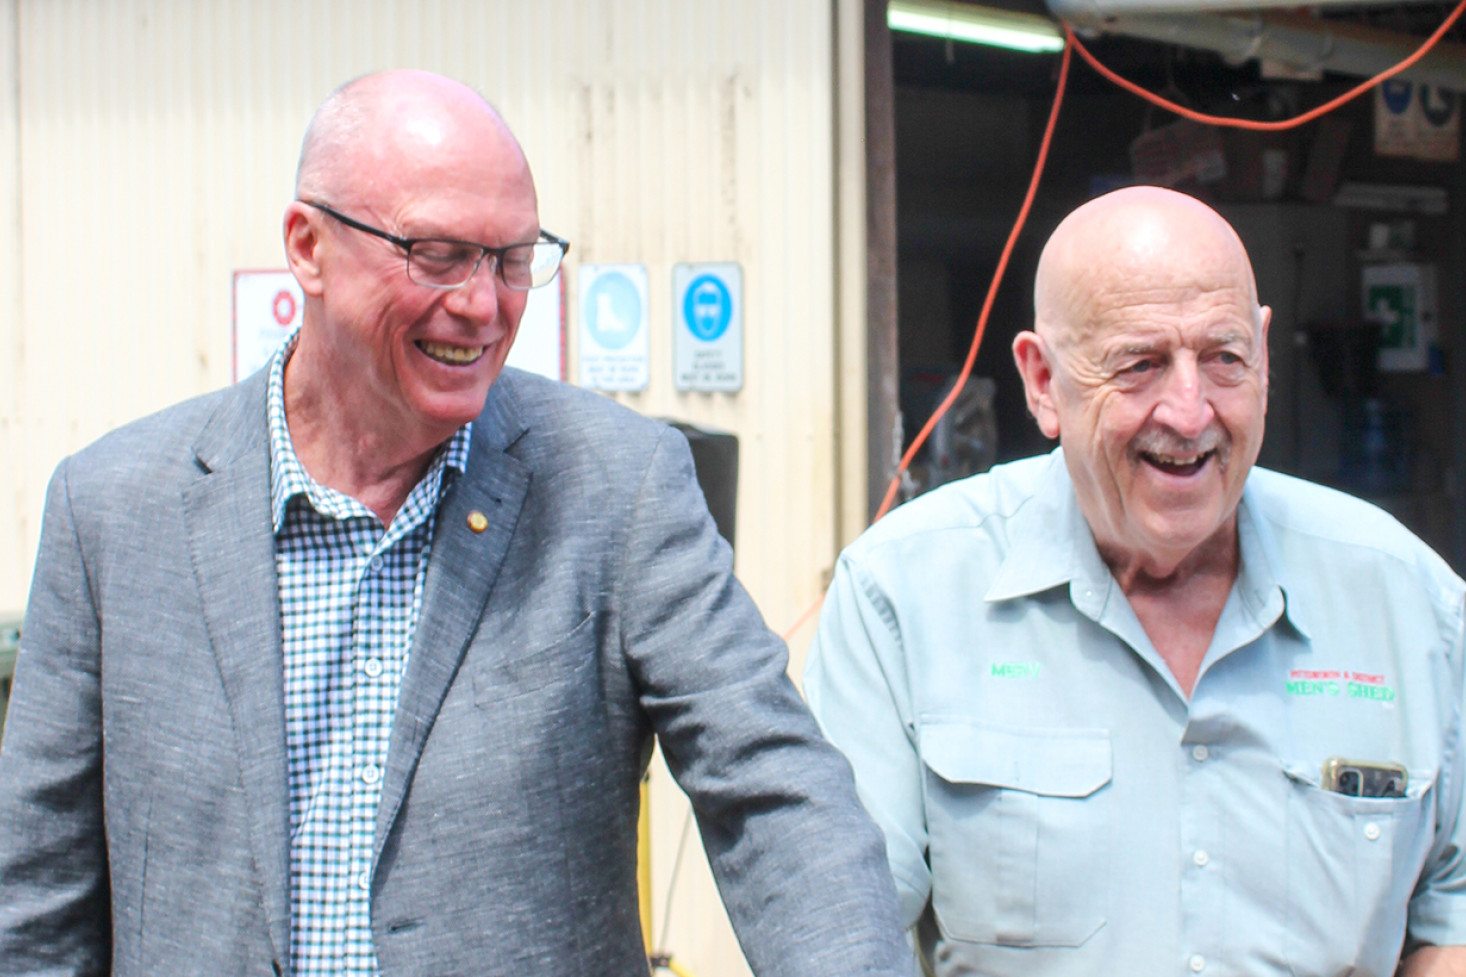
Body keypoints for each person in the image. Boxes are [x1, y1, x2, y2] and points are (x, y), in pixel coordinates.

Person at [0, 69, 909, 977]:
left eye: (513, 258)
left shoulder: (617, 488)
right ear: (307, 247)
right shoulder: (112, 514)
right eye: (438, 253)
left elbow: (778, 794)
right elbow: (36, 905)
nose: (482, 303)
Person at [804, 186, 1466, 977]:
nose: (1189, 414)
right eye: (1140, 363)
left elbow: (1450, 915)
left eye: (1223, 358)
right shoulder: (902, 598)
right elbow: (840, 943)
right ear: (1043, 379)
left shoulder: (1407, 599)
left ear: (1263, 353)